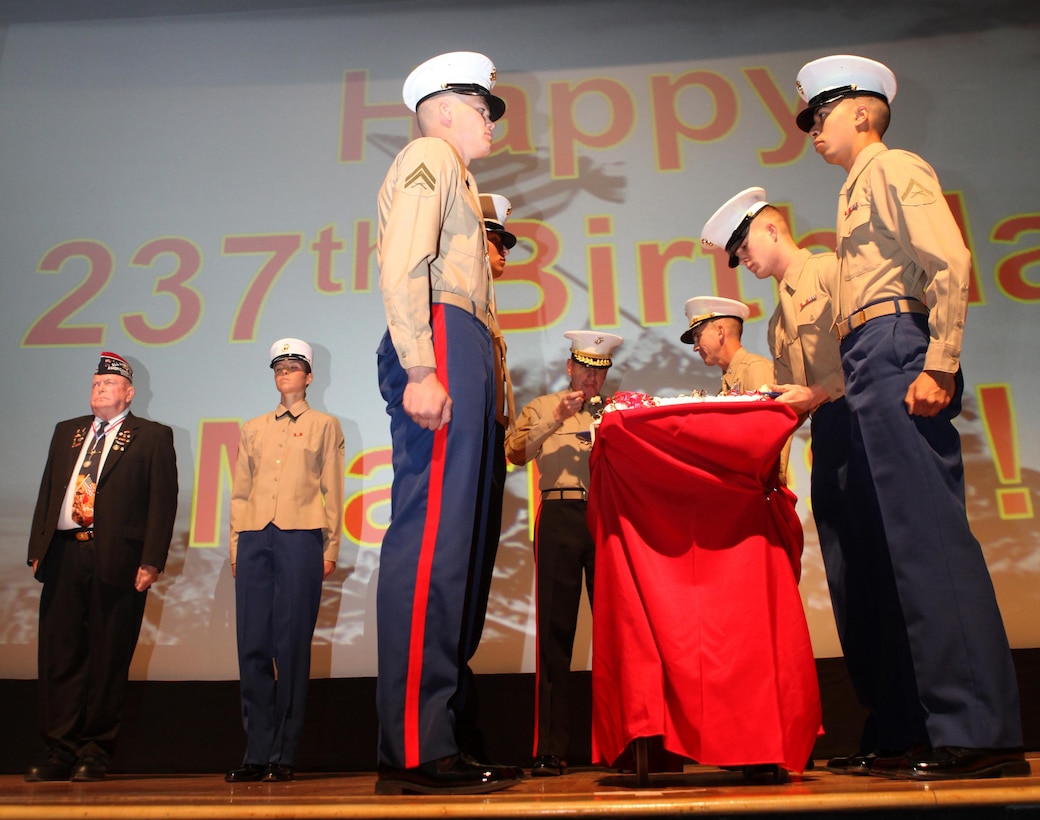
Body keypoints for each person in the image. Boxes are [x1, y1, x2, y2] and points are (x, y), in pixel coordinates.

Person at [792, 54, 1026, 780]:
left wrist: (941, 362)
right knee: (889, 554)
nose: (812, 131)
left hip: (897, 346)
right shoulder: (853, 187)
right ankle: (919, 725)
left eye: (819, 114)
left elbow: (950, 260)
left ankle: (978, 731)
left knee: (929, 544)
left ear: (862, 112)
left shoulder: (895, 169)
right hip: (866, 351)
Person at [373, 50, 521, 795]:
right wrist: (424, 367)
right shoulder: (431, 153)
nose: (492, 121)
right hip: (436, 335)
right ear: (444, 110)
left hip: (462, 342)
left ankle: (444, 732)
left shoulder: (458, 172)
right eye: (482, 108)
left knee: (460, 548)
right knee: (431, 541)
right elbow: (405, 260)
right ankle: (414, 744)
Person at [702, 188, 883, 770]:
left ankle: (919, 725)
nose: (741, 260)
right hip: (828, 441)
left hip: (865, 430)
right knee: (851, 587)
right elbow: (783, 402)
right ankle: (888, 727)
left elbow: (872, 356)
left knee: (883, 577)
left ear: (773, 228)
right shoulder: (780, 317)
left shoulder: (832, 271)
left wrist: (818, 394)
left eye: (744, 246)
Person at [25, 352, 178, 782]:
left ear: (129, 393)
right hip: (64, 554)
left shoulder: (151, 436)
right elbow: (49, 491)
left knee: (108, 657)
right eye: (95, 382)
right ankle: (59, 749)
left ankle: (94, 750)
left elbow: (162, 505)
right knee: (60, 655)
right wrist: (39, 546)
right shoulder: (66, 432)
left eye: (109, 384)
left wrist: (152, 559)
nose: (100, 388)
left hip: (119, 559)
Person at [224, 338, 345, 783]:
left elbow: (333, 489)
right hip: (256, 537)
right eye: (279, 368)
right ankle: (256, 752)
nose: (285, 374)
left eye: (294, 368)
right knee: (252, 645)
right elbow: (240, 493)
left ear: (309, 377)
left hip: (300, 538)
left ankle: (284, 754)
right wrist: (236, 546)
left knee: (291, 646)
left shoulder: (324, 425)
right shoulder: (253, 427)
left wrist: (329, 548)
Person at [505, 330, 622, 777]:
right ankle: (550, 748)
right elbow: (515, 452)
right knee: (555, 634)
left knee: (614, 633)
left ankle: (617, 744)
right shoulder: (541, 407)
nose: (592, 379)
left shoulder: (617, 411)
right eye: (585, 369)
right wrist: (557, 417)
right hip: (558, 516)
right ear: (569, 368)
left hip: (606, 519)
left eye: (600, 371)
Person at [454, 192, 518, 763]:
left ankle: (459, 723)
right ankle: (448, 728)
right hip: (467, 452)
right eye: (495, 243)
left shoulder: (489, 318)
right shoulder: (461, 312)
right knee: (457, 583)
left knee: (476, 583)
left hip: (491, 452)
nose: (502, 256)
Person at [679, 295, 774, 394]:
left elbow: (764, 409)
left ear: (720, 332)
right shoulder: (730, 379)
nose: (695, 348)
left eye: (698, 337)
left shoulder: (756, 369)